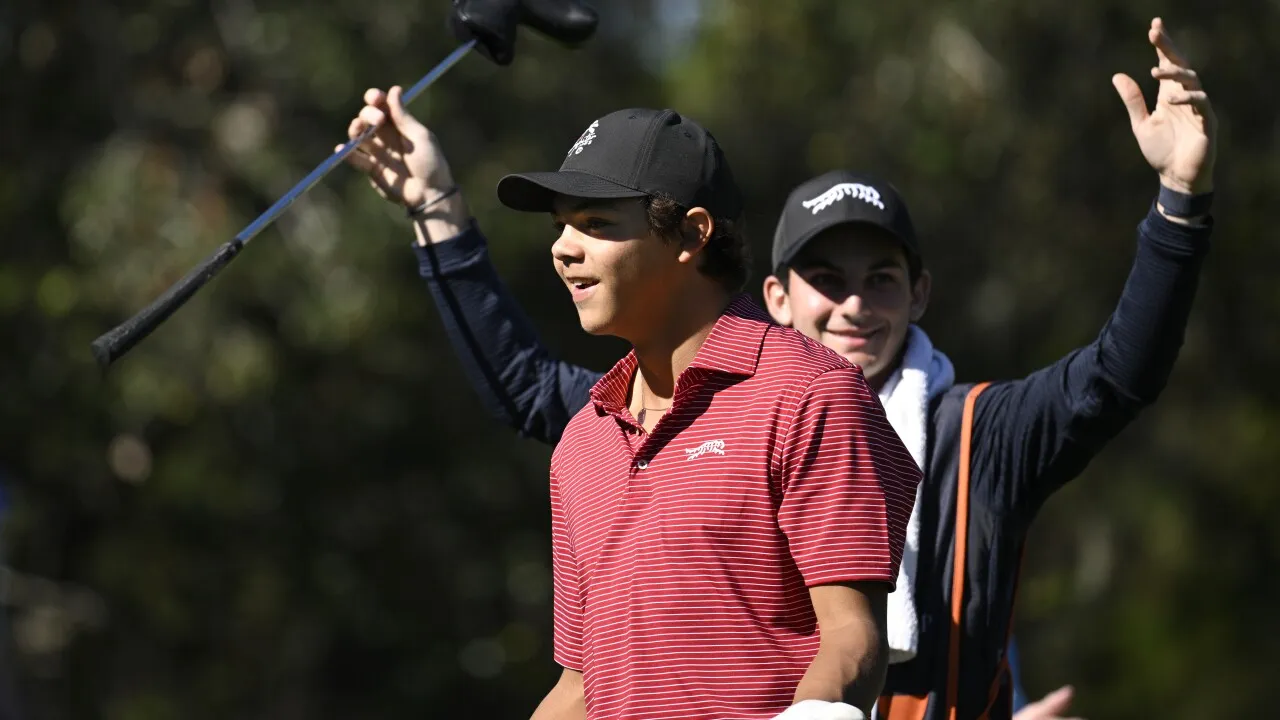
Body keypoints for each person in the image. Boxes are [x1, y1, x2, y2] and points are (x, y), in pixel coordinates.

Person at [341, 16, 1215, 719]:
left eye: (881, 281)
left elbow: (1115, 378)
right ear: (776, 295)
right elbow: (530, 395)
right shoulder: (616, 423)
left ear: (921, 295)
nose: (853, 306)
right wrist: (434, 208)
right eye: (825, 280)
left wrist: (1179, 202)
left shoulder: (971, 431)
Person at [347, 104, 924, 718]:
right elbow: (578, 688)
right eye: (561, 225)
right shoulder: (585, 441)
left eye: (595, 223)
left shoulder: (811, 393)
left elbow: (851, 637)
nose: (562, 251)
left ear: (691, 234)